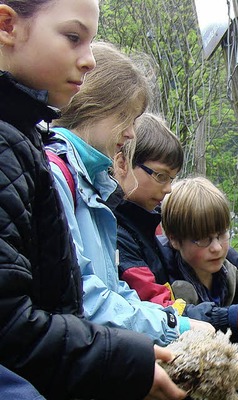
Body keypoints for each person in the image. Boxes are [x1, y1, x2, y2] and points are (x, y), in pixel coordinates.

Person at [0, 1, 186, 399]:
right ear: (8, 25)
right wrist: (163, 336)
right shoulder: (46, 165)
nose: (87, 60)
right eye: (73, 37)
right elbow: (64, 305)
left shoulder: (28, 146)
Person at [46, 41, 212, 347]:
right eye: (127, 116)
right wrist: (178, 329)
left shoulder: (90, 185)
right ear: (96, 103)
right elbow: (87, 301)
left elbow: (112, 290)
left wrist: (176, 323)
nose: (132, 133)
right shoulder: (57, 178)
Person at [113, 113, 238, 348]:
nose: (169, 189)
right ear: (122, 163)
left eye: (172, 178)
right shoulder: (119, 230)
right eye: (161, 176)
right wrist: (228, 318)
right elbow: (156, 305)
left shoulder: (232, 266)